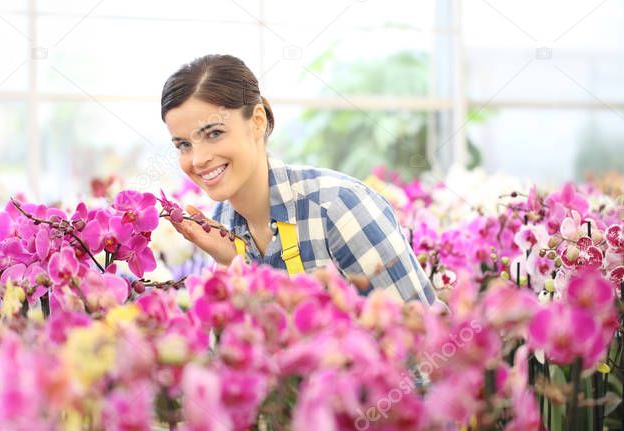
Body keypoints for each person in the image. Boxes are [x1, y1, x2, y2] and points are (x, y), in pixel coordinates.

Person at [161, 54, 434, 304]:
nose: (197, 160)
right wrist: (234, 264)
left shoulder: (339, 208)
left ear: (257, 121)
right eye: (184, 145)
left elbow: (421, 336)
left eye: (214, 133)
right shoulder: (222, 222)